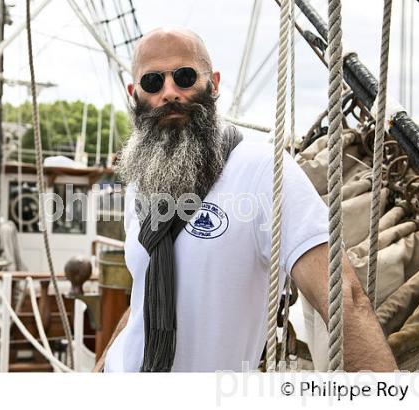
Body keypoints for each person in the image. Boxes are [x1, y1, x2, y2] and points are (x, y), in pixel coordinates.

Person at [93, 27, 398, 372]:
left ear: (214, 83)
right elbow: (144, 291)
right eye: (152, 82)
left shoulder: (261, 170)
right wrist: (102, 366)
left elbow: (344, 297)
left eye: (184, 76)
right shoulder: (142, 182)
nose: (169, 92)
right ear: (135, 94)